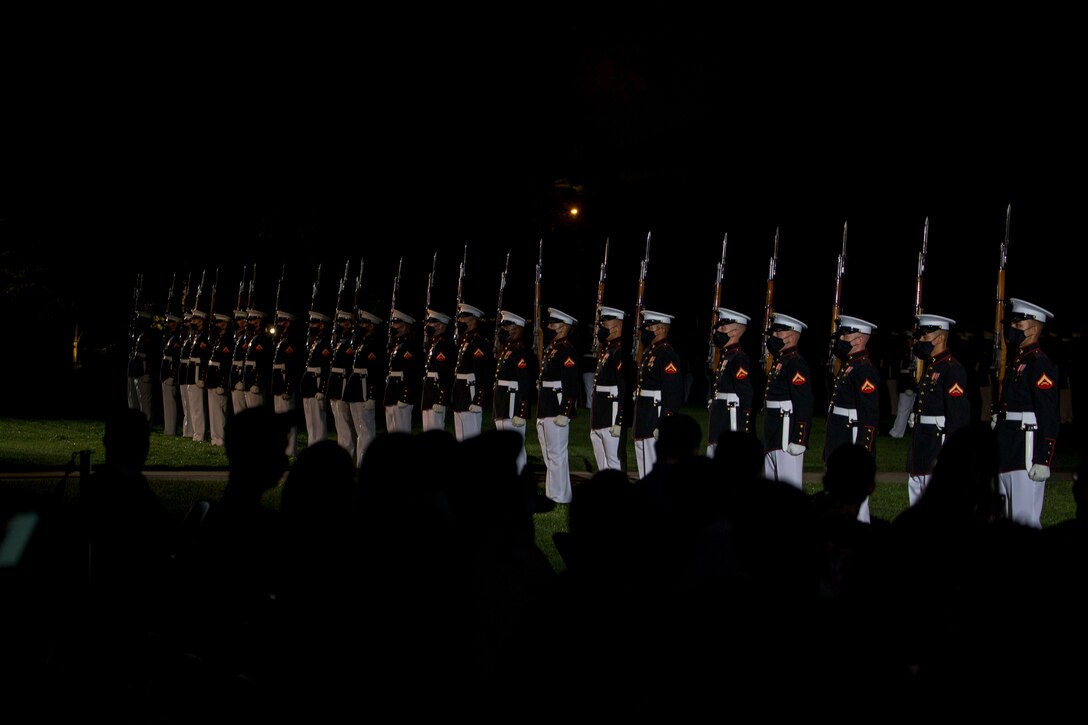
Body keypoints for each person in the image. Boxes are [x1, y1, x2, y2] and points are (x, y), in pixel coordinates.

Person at [995, 298, 1060, 528]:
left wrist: (1043, 459)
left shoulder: (1039, 363)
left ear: (1032, 329)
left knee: (1025, 521)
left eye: (1018, 325)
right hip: (1009, 446)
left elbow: (1049, 414)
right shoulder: (1018, 361)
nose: (1011, 329)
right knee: (1008, 519)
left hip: (1026, 449)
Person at [905, 314, 970, 506]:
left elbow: (958, 416)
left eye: (925, 338)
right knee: (917, 490)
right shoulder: (932, 366)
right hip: (923, 440)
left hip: (937, 441)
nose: (920, 342)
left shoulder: (952, 368)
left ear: (940, 338)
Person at [823, 315, 880, 522]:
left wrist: (864, 447)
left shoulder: (864, 368)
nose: (842, 339)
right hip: (841, 432)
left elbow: (870, 414)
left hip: (852, 432)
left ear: (859, 339)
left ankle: (862, 531)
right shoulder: (850, 365)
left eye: (846, 334)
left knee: (856, 492)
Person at [762, 311, 814, 489]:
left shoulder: (795, 363)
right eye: (774, 333)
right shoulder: (781, 361)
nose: (774, 336)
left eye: (779, 333)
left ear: (791, 336)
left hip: (786, 433)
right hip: (774, 431)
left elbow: (804, 402)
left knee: (789, 488)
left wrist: (800, 438)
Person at [631, 310, 684, 479]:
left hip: (655, 413)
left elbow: (673, 391)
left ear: (660, 328)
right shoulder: (650, 352)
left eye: (649, 327)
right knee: (643, 459)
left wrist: (665, 422)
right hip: (644, 413)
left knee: (653, 463)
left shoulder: (666, 353)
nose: (645, 331)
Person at [536, 307, 581, 504]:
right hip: (546, 403)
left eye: (554, 324)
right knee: (548, 452)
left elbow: (571, 383)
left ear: (564, 327)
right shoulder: (552, 348)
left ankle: (560, 496)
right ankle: (552, 492)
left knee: (557, 453)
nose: (550, 327)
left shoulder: (566, 350)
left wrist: (566, 410)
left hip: (556, 404)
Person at [493, 310, 537, 474]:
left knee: (515, 448)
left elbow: (525, 383)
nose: (503, 330)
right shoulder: (508, 350)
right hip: (504, 403)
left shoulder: (520, 352)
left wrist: (522, 411)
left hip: (513, 403)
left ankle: (519, 481)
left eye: (507, 325)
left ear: (518, 328)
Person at [707, 307, 754, 458]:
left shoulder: (738, 357)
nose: (718, 331)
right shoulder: (727, 356)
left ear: (734, 332)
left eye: (723, 328)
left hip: (730, 415)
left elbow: (745, 392)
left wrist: (744, 424)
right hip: (721, 414)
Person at [589, 306, 630, 472]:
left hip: (611, 410)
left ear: (618, 326)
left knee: (614, 461)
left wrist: (620, 419)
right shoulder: (608, 349)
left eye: (606, 323)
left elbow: (624, 387)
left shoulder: (620, 351)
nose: (602, 327)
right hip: (600, 410)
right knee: (601, 459)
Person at [343, 309, 386, 468]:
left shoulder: (375, 343)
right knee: (359, 427)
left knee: (366, 429)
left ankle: (366, 463)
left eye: (365, 323)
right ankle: (360, 462)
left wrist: (372, 396)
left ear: (372, 325)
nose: (361, 325)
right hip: (355, 389)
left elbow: (375, 372)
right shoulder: (362, 342)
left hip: (364, 389)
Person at [451, 302, 494, 442]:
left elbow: (483, 372)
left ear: (473, 319)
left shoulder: (478, 343)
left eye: (463, 317)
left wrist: (478, 399)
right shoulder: (464, 341)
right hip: (460, 394)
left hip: (470, 394)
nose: (460, 321)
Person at [271, 306, 304, 457]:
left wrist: (288, 387)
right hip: (278, 383)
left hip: (285, 383)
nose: (281, 324)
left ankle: (290, 450)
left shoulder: (292, 341)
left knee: (287, 418)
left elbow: (294, 366)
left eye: (285, 321)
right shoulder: (281, 340)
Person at [326, 309, 357, 461]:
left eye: (346, 321)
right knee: (339, 423)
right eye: (341, 321)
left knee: (346, 423)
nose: (342, 325)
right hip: (336, 384)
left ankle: (348, 456)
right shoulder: (339, 340)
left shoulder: (351, 341)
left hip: (344, 384)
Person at [300, 310, 333, 447]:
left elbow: (326, 368)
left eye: (315, 322)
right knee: (310, 420)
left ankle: (319, 448)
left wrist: (322, 388)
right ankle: (312, 446)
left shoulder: (325, 343)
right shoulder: (314, 343)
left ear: (322, 325)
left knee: (318, 420)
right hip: (309, 384)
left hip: (317, 383)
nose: (311, 326)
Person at [384, 309, 421, 434]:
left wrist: (405, 395)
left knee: (401, 432)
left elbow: (412, 372)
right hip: (391, 393)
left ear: (405, 325)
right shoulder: (396, 345)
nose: (393, 326)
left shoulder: (410, 345)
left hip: (401, 393)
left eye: (396, 323)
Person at [202, 312, 234, 447]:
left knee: (220, 410)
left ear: (225, 324)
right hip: (212, 378)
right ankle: (215, 437)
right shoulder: (218, 340)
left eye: (219, 323)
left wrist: (222, 382)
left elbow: (226, 364)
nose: (216, 325)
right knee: (213, 409)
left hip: (219, 379)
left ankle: (220, 438)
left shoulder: (227, 341)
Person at [420, 309, 455, 433]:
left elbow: (445, 374)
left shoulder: (443, 345)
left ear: (440, 326)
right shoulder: (434, 344)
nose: (428, 326)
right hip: (429, 394)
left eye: (431, 323)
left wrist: (441, 399)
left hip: (435, 394)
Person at [126, 310, 156, 424]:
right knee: (133, 397)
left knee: (144, 398)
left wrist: (148, 371)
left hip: (143, 367)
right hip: (136, 367)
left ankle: (147, 422)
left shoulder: (148, 336)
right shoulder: (137, 334)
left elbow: (151, 356)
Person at [240, 307, 273, 412]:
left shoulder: (262, 338)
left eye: (252, 320)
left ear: (258, 322)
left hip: (255, 382)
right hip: (249, 380)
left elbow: (262, 362)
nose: (249, 322)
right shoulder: (253, 338)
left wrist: (257, 382)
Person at [185, 309, 211, 443]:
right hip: (192, 371)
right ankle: (197, 432)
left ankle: (200, 434)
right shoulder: (196, 335)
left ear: (201, 321)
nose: (192, 321)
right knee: (194, 404)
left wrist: (201, 376)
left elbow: (204, 357)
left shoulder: (204, 336)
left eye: (195, 319)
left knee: (198, 405)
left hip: (197, 371)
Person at [159, 312, 184, 436]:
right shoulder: (169, 336)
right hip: (165, 370)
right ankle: (168, 428)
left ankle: (171, 429)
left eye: (171, 322)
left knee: (171, 401)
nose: (168, 324)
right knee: (167, 402)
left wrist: (173, 375)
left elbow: (175, 358)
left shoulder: (177, 338)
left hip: (170, 371)